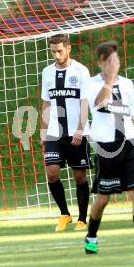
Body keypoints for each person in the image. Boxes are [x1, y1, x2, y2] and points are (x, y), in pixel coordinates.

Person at [83, 41, 134, 254]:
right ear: (102, 63)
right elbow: (98, 103)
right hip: (107, 146)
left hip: (128, 143)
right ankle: (91, 237)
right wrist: (110, 80)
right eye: (112, 61)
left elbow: (131, 113)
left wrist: (121, 118)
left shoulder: (127, 83)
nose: (117, 64)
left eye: (118, 59)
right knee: (103, 198)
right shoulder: (91, 83)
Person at [40, 34, 91, 232]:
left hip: (76, 132)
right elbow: (46, 102)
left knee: (79, 177)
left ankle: (82, 219)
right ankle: (64, 214)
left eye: (60, 50)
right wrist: (43, 131)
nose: (57, 55)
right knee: (52, 173)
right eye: (53, 51)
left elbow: (84, 102)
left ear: (69, 48)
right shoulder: (47, 72)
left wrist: (80, 129)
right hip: (54, 132)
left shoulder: (80, 71)